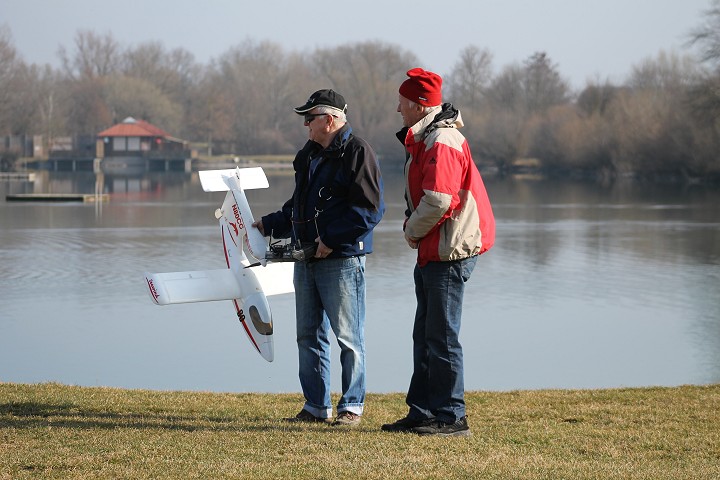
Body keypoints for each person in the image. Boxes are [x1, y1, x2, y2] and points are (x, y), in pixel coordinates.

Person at [252, 89, 385, 427]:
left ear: (329, 120)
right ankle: (315, 407)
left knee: (348, 337)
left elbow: (369, 211)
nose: (306, 125)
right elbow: (299, 206)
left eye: (309, 118)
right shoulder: (310, 155)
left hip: (341, 260)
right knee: (308, 335)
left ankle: (351, 407)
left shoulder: (358, 152)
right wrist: (269, 223)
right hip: (306, 258)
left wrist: (330, 240)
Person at [381, 68, 495, 437]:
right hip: (436, 248)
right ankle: (423, 412)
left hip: (448, 251)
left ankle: (452, 417)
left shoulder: (442, 140)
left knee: (442, 336)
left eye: (402, 103)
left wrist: (411, 230)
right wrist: (415, 229)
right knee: (426, 334)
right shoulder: (429, 137)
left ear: (418, 105)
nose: (398, 109)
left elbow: (439, 200)